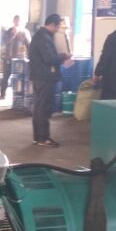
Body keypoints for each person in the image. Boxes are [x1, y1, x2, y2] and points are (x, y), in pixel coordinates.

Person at [29, 13, 71, 147]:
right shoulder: (44, 38)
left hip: (40, 77)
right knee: (43, 108)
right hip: (44, 78)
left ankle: (38, 137)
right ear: (52, 25)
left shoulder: (41, 36)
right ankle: (43, 138)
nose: (58, 30)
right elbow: (49, 58)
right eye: (57, 27)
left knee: (39, 107)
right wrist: (64, 56)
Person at [0, 15, 31, 99]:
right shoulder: (9, 31)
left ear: (21, 22)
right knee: (5, 77)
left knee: (19, 78)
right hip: (8, 58)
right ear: (13, 21)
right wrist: (12, 35)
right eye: (15, 20)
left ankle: (19, 96)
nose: (17, 22)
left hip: (20, 60)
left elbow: (29, 45)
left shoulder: (25, 32)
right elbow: (5, 42)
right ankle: (2, 94)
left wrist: (29, 58)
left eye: (18, 21)